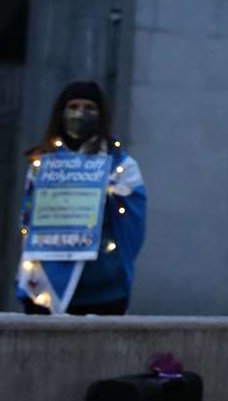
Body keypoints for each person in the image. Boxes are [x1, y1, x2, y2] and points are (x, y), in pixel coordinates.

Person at [17, 81, 146, 315]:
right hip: (45, 288)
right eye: (73, 106)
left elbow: (133, 228)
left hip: (103, 290)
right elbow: (27, 220)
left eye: (89, 107)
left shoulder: (121, 166)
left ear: (101, 115)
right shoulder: (42, 164)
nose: (80, 114)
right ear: (61, 113)